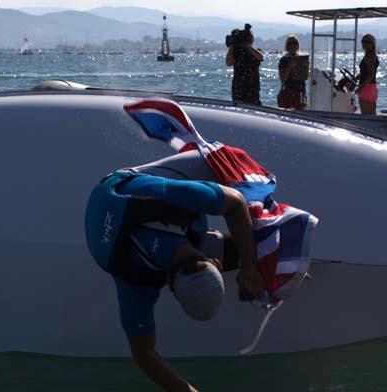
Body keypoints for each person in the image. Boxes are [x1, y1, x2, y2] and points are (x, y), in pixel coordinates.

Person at [85, 151, 264, 392]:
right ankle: (259, 253)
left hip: (123, 191)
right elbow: (143, 356)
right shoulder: (134, 284)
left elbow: (238, 202)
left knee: (215, 159)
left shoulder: (176, 199)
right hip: (115, 209)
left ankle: (256, 254)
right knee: (214, 235)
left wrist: (249, 266)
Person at [225, 24, 264, 106]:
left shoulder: (255, 51)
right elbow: (228, 63)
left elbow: (260, 57)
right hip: (238, 87)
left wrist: (248, 46)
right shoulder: (236, 52)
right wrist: (232, 46)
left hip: (252, 87)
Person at [278, 35, 308, 110]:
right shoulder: (284, 60)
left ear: (297, 45)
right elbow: (283, 79)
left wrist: (306, 67)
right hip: (288, 90)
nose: (293, 45)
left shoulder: (301, 59)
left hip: (300, 90)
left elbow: (306, 77)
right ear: (287, 46)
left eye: (295, 43)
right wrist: (289, 67)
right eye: (290, 43)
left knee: (300, 113)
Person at [357, 34, 379, 115]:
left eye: (367, 42)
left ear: (372, 44)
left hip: (367, 88)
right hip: (372, 87)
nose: (364, 43)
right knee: (372, 113)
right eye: (363, 41)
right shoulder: (372, 56)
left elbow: (371, 73)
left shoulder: (369, 56)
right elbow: (367, 72)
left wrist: (361, 87)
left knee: (366, 114)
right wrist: (358, 77)